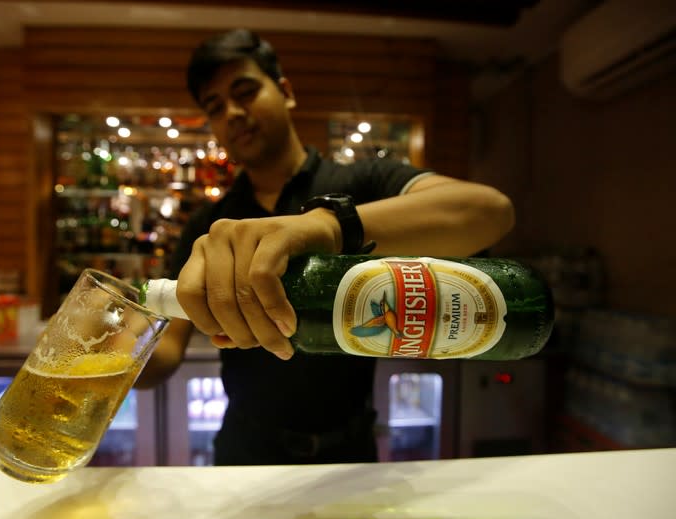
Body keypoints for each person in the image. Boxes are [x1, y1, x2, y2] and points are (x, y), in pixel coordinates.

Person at [136, 28, 515, 465]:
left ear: (286, 92)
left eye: (245, 92)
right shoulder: (210, 226)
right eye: (215, 107)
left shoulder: (361, 182)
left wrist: (331, 226)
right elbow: (166, 349)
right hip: (246, 450)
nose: (233, 113)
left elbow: (489, 211)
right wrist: (113, 354)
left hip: (349, 451)